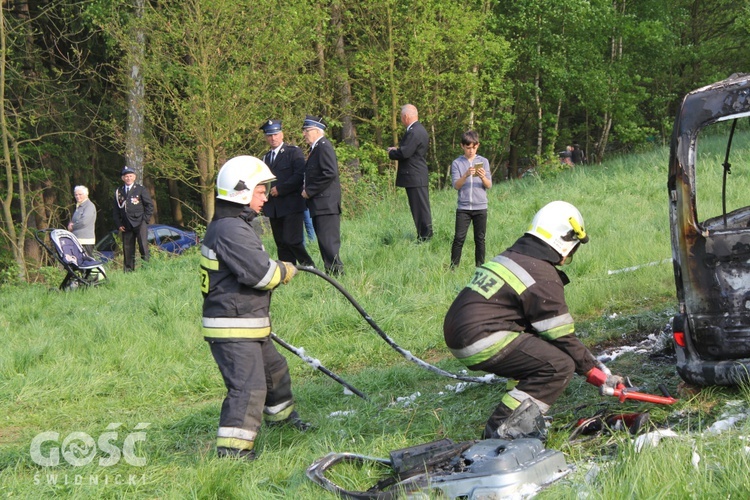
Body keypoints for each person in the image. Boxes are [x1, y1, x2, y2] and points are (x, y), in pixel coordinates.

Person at [443, 201, 624, 440]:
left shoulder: (514, 256)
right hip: (482, 338)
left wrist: (591, 367)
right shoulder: (541, 274)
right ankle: (505, 430)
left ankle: (521, 413)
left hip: (461, 334)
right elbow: (562, 337)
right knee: (557, 366)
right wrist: (594, 370)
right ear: (565, 240)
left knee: (535, 353)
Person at [201, 155, 310, 461]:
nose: (265, 196)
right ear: (242, 191)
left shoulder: (235, 225)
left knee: (274, 372)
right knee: (248, 389)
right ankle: (233, 454)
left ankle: (283, 422)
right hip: (233, 326)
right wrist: (284, 270)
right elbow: (261, 274)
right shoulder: (230, 230)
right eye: (260, 191)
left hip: (247, 322)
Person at [259, 119, 315, 267]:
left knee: (292, 240)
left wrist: (281, 189)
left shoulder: (293, 152)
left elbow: (299, 175)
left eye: (276, 134)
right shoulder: (265, 158)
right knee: (281, 243)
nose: (273, 138)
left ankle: (309, 266)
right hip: (274, 207)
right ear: (266, 137)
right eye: (270, 135)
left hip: (291, 205)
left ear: (282, 134)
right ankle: (288, 272)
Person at [301, 115, 344, 276]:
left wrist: (309, 190)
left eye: (306, 130)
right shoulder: (317, 148)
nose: (304, 134)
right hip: (321, 204)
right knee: (324, 243)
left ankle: (337, 276)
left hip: (326, 204)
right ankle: (331, 274)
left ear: (316, 131)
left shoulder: (324, 146)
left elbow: (329, 173)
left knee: (329, 243)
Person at [388, 104, 433, 242]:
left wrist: (392, 152)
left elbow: (405, 152)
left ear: (406, 117)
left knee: (420, 209)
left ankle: (425, 237)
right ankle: (423, 235)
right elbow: (410, 149)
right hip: (417, 175)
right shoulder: (419, 129)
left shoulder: (413, 131)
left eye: (401, 117)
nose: (401, 120)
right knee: (419, 208)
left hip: (414, 175)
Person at [450, 131, 492, 268]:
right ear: (462, 146)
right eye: (468, 148)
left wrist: (482, 177)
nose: (471, 151)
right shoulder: (457, 163)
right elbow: (456, 185)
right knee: (459, 238)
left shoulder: (483, 161)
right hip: (463, 208)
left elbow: (489, 185)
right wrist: (466, 174)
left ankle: (480, 268)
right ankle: (453, 268)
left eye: (474, 147)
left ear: (477, 146)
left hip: (480, 207)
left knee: (480, 239)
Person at [113, 166, 154, 272]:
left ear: (134, 177)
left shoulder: (140, 189)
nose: (128, 178)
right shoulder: (119, 191)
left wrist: (145, 219)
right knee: (127, 249)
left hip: (140, 223)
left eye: (130, 176)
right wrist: (118, 224)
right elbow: (116, 210)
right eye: (126, 176)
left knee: (143, 247)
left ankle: (146, 269)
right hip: (126, 224)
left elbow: (149, 205)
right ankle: (128, 271)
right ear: (123, 178)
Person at [68, 185, 97, 255]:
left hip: (85, 241)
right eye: (76, 195)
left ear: (86, 194)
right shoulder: (79, 206)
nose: (77, 196)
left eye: (80, 194)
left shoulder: (89, 206)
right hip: (77, 240)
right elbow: (74, 220)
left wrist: (72, 227)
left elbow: (84, 222)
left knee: (86, 263)